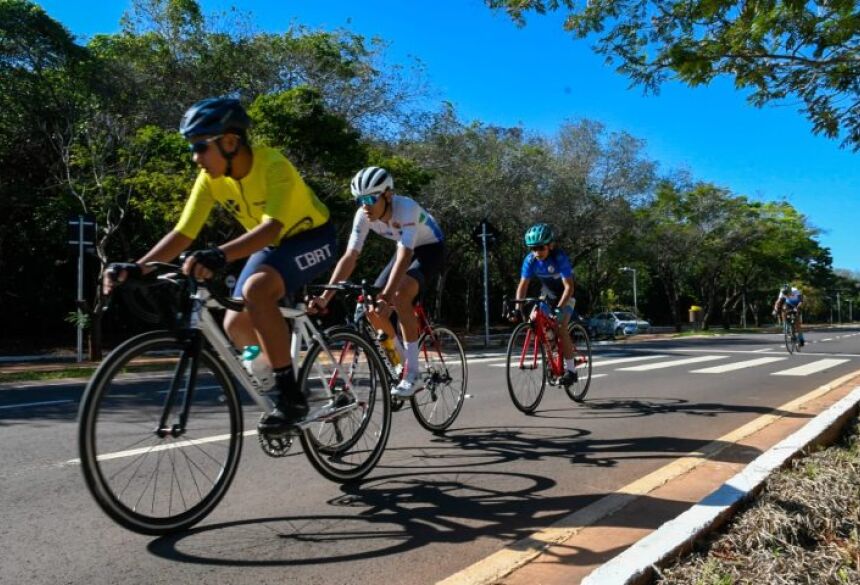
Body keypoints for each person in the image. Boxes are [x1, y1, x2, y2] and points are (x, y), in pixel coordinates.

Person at [102, 97, 337, 433]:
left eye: (200, 147)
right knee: (234, 324)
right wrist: (140, 267)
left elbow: (272, 228)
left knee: (257, 291)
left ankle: (291, 395)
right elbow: (183, 232)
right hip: (270, 244)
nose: (195, 158)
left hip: (313, 236)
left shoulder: (273, 165)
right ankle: (268, 376)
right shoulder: (210, 178)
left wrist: (220, 254)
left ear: (230, 142)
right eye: (192, 149)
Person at [308, 166, 445, 398]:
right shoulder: (363, 215)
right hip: (404, 249)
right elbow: (350, 256)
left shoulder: (406, 209)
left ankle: (413, 375)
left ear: (387, 195)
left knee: (400, 295)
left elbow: (405, 255)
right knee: (371, 308)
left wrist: (388, 296)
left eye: (371, 198)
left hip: (430, 248)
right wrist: (325, 296)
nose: (366, 205)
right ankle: (402, 364)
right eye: (360, 199)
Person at [510, 223, 579, 386]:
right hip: (547, 295)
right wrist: (517, 308)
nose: (537, 252)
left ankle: (571, 371)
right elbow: (523, 285)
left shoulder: (559, 257)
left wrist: (559, 309)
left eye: (540, 248)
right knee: (534, 321)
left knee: (561, 328)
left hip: (565, 295)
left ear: (550, 245)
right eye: (533, 248)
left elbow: (569, 287)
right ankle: (551, 355)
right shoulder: (530, 260)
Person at [773, 282, 805, 346]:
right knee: (783, 310)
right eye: (785, 294)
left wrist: (797, 307)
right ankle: (786, 327)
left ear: (790, 290)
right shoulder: (782, 292)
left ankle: (801, 338)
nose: (787, 295)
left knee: (797, 322)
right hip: (789, 304)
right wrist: (775, 309)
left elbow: (801, 301)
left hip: (797, 304)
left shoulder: (795, 291)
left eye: (788, 294)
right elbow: (778, 302)